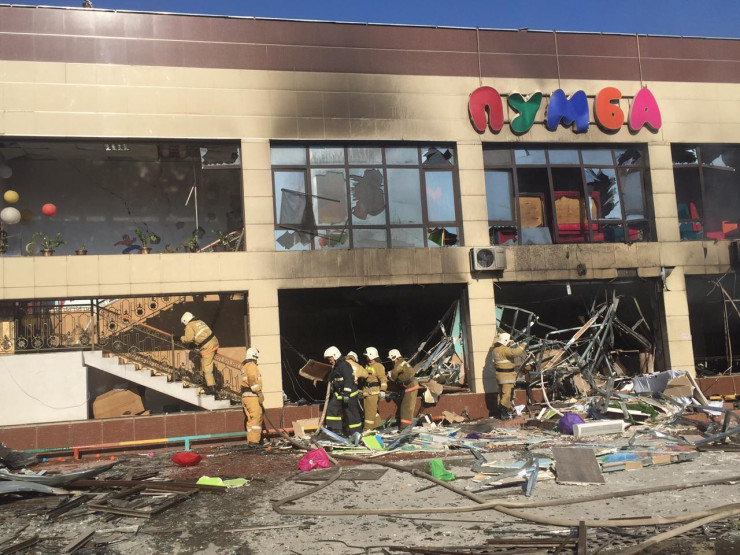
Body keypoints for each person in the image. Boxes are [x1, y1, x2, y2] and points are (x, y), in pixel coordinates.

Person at [324, 346, 363, 438]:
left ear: (335, 356)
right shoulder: (336, 366)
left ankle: (356, 433)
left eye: (330, 359)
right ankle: (336, 431)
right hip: (339, 394)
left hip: (348, 395)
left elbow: (349, 379)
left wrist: (346, 394)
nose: (329, 361)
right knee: (332, 409)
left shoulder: (345, 365)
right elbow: (334, 377)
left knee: (351, 413)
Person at [180, 312, 219, 396]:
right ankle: (208, 384)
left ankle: (212, 388)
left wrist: (180, 338)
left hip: (208, 346)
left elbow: (188, 339)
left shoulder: (189, 325)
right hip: (214, 342)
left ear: (185, 320)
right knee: (207, 364)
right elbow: (200, 335)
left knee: (207, 367)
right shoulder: (199, 321)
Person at [493, 332, 526, 419]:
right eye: (508, 341)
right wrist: (523, 344)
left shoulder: (496, 349)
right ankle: (504, 413)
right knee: (507, 394)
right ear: (505, 340)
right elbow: (515, 352)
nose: (509, 343)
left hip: (500, 375)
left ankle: (500, 412)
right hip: (506, 376)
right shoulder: (504, 350)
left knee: (501, 394)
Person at [388, 349, 419, 430]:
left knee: (406, 408)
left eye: (392, 360)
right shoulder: (403, 362)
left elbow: (394, 375)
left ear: (394, 358)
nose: (392, 362)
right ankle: (405, 427)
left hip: (411, 385)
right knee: (407, 407)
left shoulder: (399, 363)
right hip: (411, 385)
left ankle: (405, 428)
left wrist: (389, 375)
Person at [240, 347, 264, 447]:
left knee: (250, 420)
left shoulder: (244, 366)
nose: (257, 360)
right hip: (252, 396)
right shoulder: (252, 366)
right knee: (256, 417)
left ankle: (251, 441)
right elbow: (252, 379)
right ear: (254, 356)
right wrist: (258, 392)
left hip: (245, 397)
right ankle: (254, 441)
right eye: (256, 358)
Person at [362, 346, 388, 431]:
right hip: (366, 392)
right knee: (371, 411)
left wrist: (383, 390)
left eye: (367, 356)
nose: (366, 358)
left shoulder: (378, 366)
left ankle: (367, 430)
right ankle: (378, 427)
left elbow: (383, 379)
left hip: (373, 393)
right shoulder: (366, 365)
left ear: (371, 355)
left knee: (369, 413)